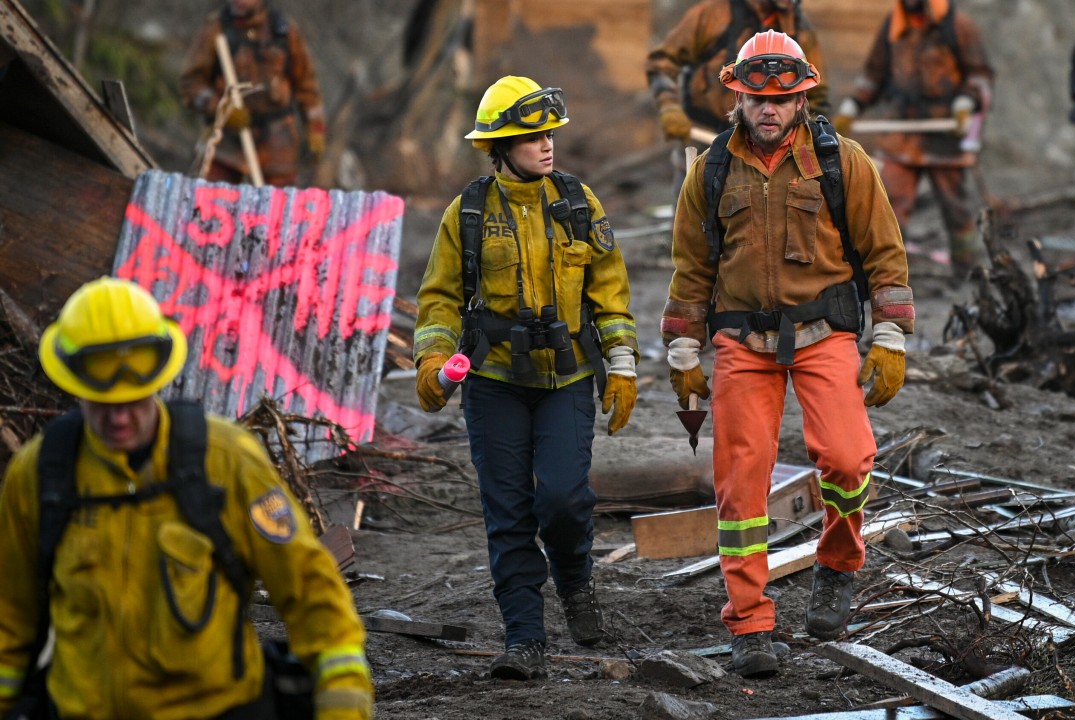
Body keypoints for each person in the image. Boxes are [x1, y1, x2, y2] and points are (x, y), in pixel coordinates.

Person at [0, 277, 372, 719]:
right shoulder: (39, 477)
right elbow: (9, 618)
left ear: (158, 377)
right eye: (103, 402)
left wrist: (343, 700)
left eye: (134, 399)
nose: (119, 417)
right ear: (74, 385)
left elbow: (310, 591)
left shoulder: (225, 462)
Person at [662, 30, 914, 678]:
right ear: (737, 97)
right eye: (755, 98)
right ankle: (749, 622)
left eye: (781, 99)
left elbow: (885, 254)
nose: (768, 110)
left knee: (849, 457)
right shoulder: (709, 170)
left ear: (803, 98)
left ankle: (838, 564)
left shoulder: (843, 161)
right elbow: (691, 271)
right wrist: (683, 349)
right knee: (741, 486)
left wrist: (888, 338)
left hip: (822, 334)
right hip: (742, 345)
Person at [414, 76, 639, 681]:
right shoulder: (467, 213)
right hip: (492, 381)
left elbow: (610, 294)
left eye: (548, 134)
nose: (546, 145)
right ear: (501, 145)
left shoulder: (578, 201)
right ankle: (525, 639)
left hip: (565, 378)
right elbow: (437, 301)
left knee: (564, 499)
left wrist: (620, 365)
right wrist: (433, 363)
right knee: (508, 510)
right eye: (531, 135)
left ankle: (575, 584)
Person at [848, 0, 993, 285]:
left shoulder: (957, 25)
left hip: (944, 133)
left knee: (955, 209)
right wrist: (853, 105)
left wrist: (967, 100)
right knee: (888, 206)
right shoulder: (894, 24)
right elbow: (874, 73)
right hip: (902, 133)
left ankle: (967, 276)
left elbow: (980, 74)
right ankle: (885, 279)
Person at [180, 0, 325, 187]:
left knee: (279, 206)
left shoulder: (284, 32)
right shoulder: (216, 30)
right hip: (227, 145)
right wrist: (221, 110)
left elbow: (307, 87)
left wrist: (316, 130)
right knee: (211, 201)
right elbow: (191, 84)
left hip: (278, 143)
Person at [646, 0, 831, 140]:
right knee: (694, 188)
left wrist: (812, 136)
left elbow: (816, 94)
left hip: (769, 147)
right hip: (705, 137)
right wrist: (669, 106)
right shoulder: (713, 14)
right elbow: (662, 62)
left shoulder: (798, 27)